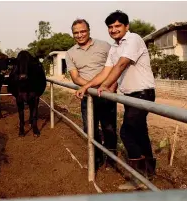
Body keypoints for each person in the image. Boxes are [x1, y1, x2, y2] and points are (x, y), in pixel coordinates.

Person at [81, 10, 156, 190]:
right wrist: (87, 86)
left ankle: (138, 178)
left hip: (143, 93)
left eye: (117, 26)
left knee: (126, 133)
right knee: (140, 132)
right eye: (110, 27)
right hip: (130, 95)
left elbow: (122, 64)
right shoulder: (114, 47)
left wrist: (106, 86)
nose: (114, 30)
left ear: (126, 26)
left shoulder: (133, 39)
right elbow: (106, 71)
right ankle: (149, 171)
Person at [66, 19, 118, 171]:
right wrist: (92, 87)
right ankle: (96, 158)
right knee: (90, 129)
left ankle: (112, 160)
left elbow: (115, 69)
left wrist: (111, 87)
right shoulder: (70, 53)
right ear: (73, 34)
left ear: (89, 30)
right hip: (88, 96)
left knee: (109, 128)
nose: (80, 35)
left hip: (107, 95)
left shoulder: (104, 45)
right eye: (76, 32)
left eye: (83, 31)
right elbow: (75, 77)